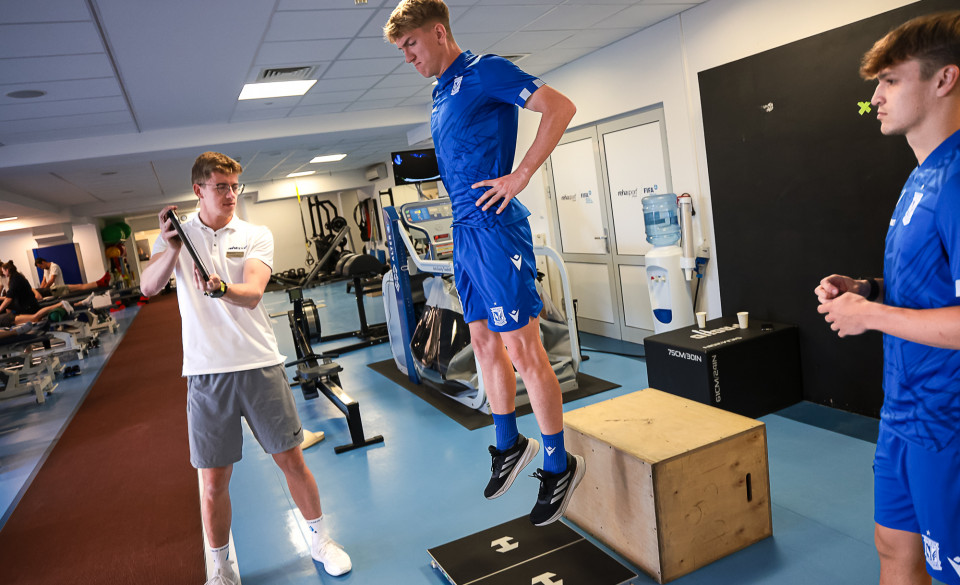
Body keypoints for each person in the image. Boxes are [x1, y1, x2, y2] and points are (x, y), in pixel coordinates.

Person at [384, 0, 583, 526]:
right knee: (481, 341)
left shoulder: (486, 70)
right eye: (401, 49)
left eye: (410, 44)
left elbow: (560, 108)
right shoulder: (439, 92)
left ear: (438, 32)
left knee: (523, 348)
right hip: (465, 233)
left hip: (496, 229)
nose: (407, 56)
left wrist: (519, 176)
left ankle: (559, 464)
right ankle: (508, 442)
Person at [139, 152, 351, 584]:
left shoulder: (254, 233)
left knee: (292, 461)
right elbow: (148, 286)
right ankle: (220, 567)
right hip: (206, 373)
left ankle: (320, 540)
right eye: (221, 186)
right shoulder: (177, 236)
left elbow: (253, 292)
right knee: (213, 481)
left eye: (235, 186)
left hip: (259, 365)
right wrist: (172, 248)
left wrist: (222, 289)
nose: (231, 194)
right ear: (198, 190)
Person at [815, 11, 960, 585]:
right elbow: (931, 287)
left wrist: (870, 315)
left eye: (890, 81)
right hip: (903, 411)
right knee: (893, 548)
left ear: (944, 79)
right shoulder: (922, 175)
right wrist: (866, 289)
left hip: (950, 422)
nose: (874, 98)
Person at [0, 261, 74, 327]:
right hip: (27, 303)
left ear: (7, 270)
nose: (2, 273)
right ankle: (60, 305)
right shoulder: (16, 277)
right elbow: (10, 296)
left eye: (3, 271)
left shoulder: (15, 279)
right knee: (36, 318)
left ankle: (60, 304)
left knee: (36, 317)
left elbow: (9, 298)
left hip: (28, 304)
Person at [34, 257, 110, 298]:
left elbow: (51, 280)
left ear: (43, 262)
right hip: (55, 291)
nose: (41, 268)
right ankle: (100, 283)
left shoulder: (54, 266)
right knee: (80, 287)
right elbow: (43, 281)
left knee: (80, 286)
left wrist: (42, 289)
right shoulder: (45, 269)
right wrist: (42, 289)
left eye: (40, 266)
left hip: (57, 288)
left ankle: (100, 283)